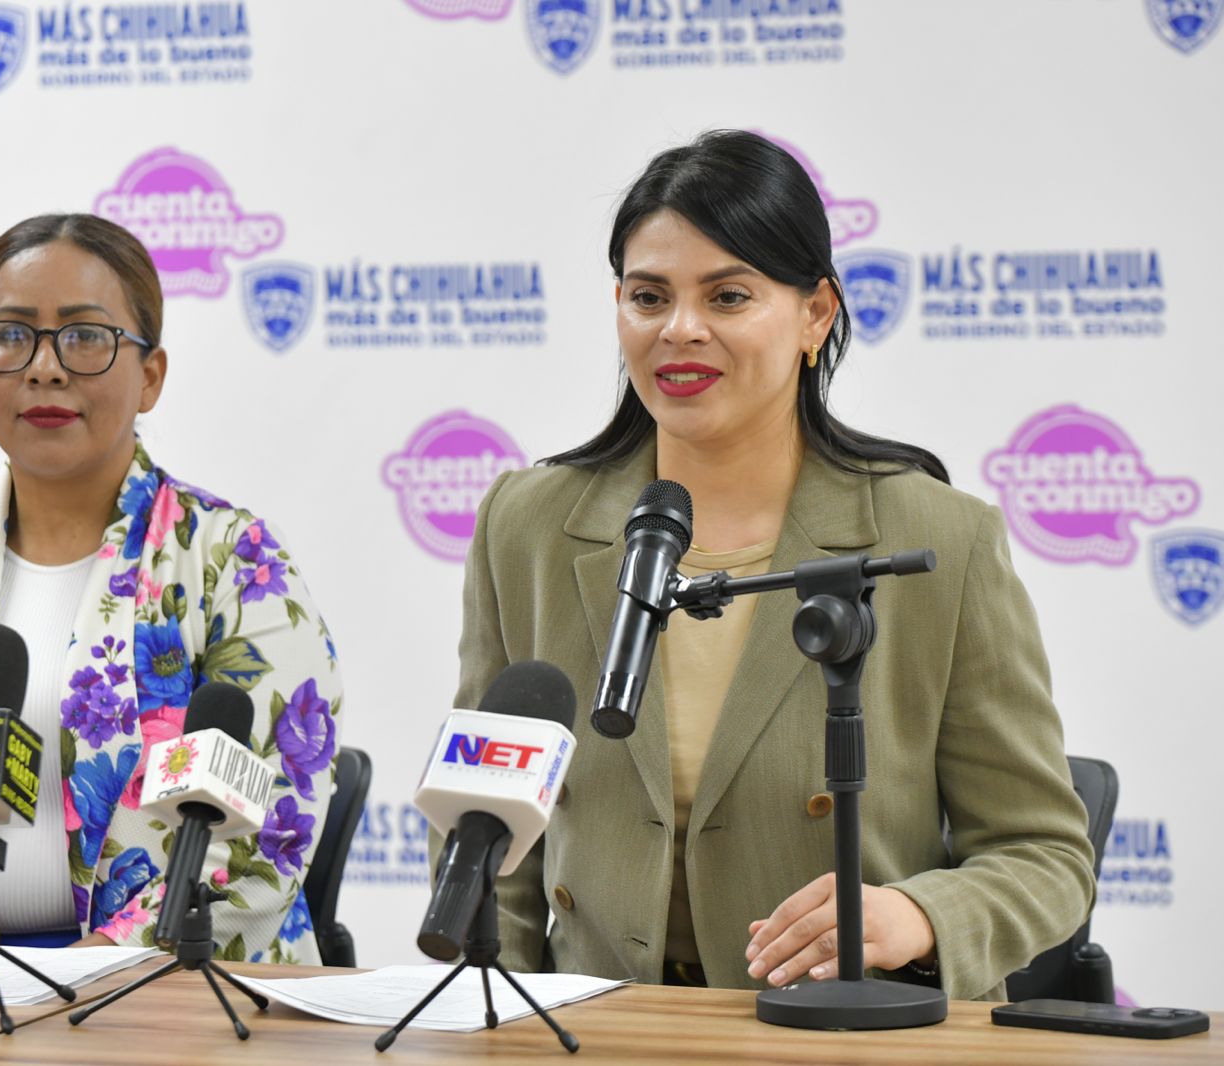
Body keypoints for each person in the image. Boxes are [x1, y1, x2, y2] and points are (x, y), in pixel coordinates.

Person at [455, 130, 1094, 1001]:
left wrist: (917, 916)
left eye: (728, 296)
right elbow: (484, 828)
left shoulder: (941, 538)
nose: (680, 329)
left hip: (840, 1032)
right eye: (649, 297)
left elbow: (1045, 855)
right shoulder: (526, 527)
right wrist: (494, 1010)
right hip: (596, 1029)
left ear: (815, 314)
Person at [0, 214, 342, 964]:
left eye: (85, 337)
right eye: (12, 335)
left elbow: (262, 842)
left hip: (165, 995)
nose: (45, 368)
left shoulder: (234, 563)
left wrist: (70, 997)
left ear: (150, 375)